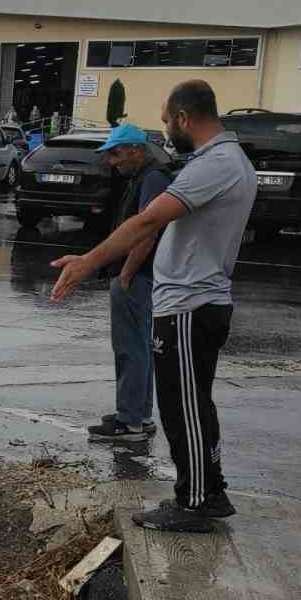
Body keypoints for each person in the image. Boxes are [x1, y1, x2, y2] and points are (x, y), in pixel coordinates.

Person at [49, 80, 256, 532]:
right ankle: (206, 490)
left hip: (190, 305)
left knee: (183, 408)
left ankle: (196, 502)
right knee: (190, 404)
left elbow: (147, 222)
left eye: (166, 120)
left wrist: (88, 262)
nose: (164, 130)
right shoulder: (220, 161)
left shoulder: (216, 164)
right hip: (193, 302)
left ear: (184, 118)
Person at [89, 124, 174, 442]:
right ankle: (139, 413)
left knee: (131, 348)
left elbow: (148, 230)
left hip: (138, 276)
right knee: (139, 347)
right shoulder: (146, 176)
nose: (112, 161)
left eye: (116, 153)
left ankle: (130, 421)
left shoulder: (152, 178)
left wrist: (125, 275)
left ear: (137, 149)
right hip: (141, 275)